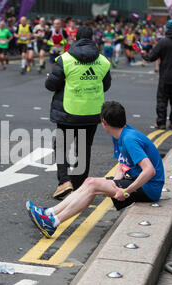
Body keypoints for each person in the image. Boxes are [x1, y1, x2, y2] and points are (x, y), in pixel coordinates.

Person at [26, 101, 164, 238]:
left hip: (149, 188)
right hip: (138, 181)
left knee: (93, 185)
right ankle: (49, 213)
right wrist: (114, 183)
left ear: (104, 122)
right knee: (89, 181)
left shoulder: (129, 139)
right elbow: (123, 164)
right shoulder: (121, 134)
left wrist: (125, 191)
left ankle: (52, 223)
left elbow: (149, 171)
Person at [45, 26, 112, 199]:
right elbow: (106, 85)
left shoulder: (65, 59)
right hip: (92, 112)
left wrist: (51, 79)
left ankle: (64, 182)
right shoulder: (103, 61)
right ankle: (80, 185)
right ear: (92, 39)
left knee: (61, 145)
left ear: (75, 38)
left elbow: (51, 85)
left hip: (69, 111)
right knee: (84, 148)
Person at [142, 20, 172, 130]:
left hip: (165, 77)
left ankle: (161, 123)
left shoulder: (163, 42)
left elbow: (152, 57)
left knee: (162, 101)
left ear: (167, 29)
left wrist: (144, 56)